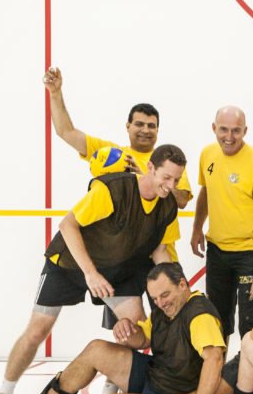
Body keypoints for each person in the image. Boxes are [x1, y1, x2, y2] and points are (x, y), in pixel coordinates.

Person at [0, 145, 186, 394]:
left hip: (119, 270)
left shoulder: (168, 205)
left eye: (176, 180)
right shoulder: (112, 190)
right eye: (166, 177)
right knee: (37, 332)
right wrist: (90, 273)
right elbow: (67, 225)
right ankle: (3, 393)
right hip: (70, 263)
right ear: (150, 168)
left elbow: (160, 250)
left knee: (134, 331)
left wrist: (178, 289)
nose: (170, 185)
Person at [0, 263, 229, 394]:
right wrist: (127, 329)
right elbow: (144, 340)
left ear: (182, 284)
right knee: (96, 348)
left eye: (165, 295)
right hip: (154, 372)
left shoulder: (200, 315)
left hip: (171, 392)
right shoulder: (162, 307)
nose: (160, 302)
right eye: (155, 298)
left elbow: (214, 360)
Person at [42, 66, 193, 331]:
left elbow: (180, 199)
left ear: (158, 130)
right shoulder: (111, 153)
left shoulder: (167, 165)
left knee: (170, 323)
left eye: (152, 126)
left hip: (158, 256)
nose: (146, 130)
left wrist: (141, 180)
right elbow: (66, 132)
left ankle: (167, 372)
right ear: (128, 126)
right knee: (127, 329)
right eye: (140, 124)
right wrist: (56, 93)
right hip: (124, 258)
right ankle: (123, 372)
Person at [191, 106, 253, 343]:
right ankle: (218, 376)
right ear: (214, 128)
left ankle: (251, 379)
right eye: (223, 130)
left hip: (250, 254)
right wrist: (197, 227)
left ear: (245, 131)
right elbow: (206, 191)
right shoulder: (207, 154)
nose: (228, 137)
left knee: (251, 325)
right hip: (218, 252)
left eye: (236, 131)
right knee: (217, 321)